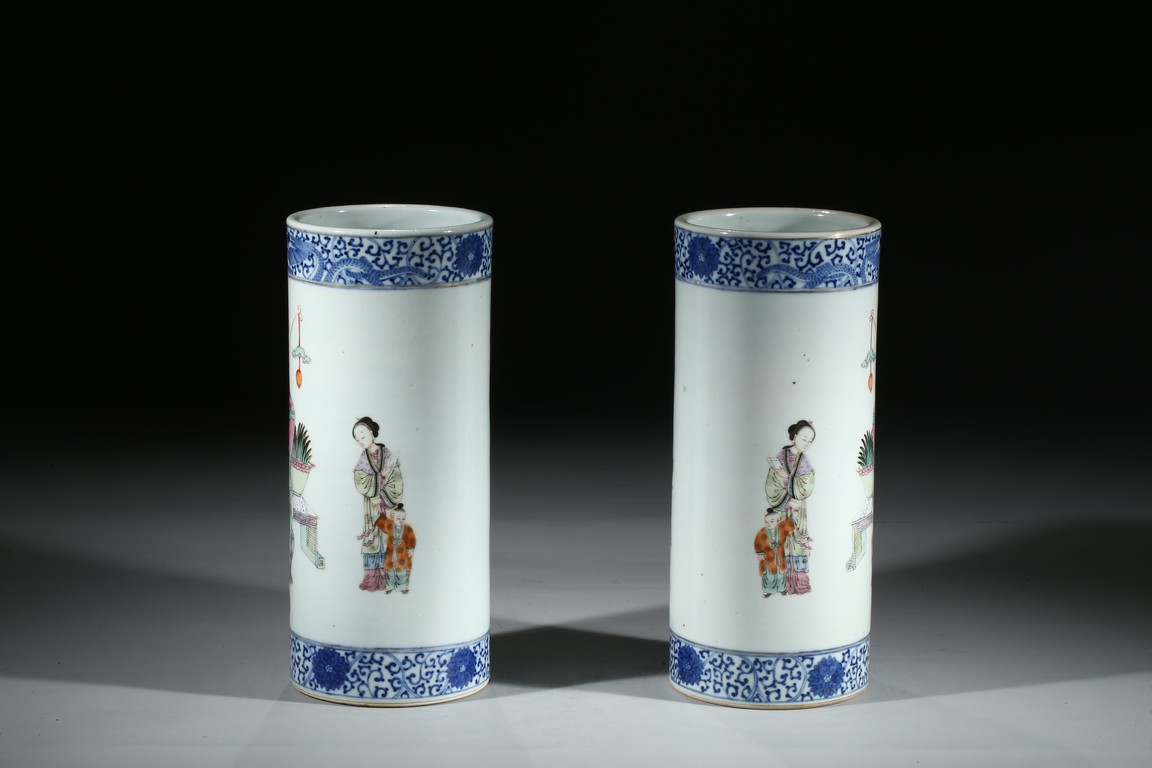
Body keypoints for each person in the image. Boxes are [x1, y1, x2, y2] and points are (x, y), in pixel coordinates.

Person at [352, 416, 404, 592]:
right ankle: (373, 580)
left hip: (386, 505)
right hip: (370, 507)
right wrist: (381, 477)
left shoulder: (386, 454)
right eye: (357, 439)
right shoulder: (363, 457)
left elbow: (396, 479)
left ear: (372, 433)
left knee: (388, 538)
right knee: (372, 541)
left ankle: (390, 578)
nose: (360, 441)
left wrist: (381, 497)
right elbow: (360, 480)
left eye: (363, 436)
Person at [765, 419, 816, 595]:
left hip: (799, 510)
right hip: (783, 509)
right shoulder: (781, 457)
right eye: (804, 439)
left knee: (798, 543)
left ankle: (799, 585)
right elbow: (771, 485)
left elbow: (807, 485)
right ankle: (782, 585)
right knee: (782, 543)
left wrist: (786, 478)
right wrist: (788, 502)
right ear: (794, 436)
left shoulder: (805, 461)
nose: (807, 443)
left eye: (810, 441)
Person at [374, 503, 416, 594]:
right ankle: (390, 586)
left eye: (403, 518)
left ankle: (403, 587)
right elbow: (383, 523)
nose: (401, 520)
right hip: (391, 553)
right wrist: (377, 512)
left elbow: (411, 538)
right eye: (398, 518)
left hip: (403, 555)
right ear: (393, 517)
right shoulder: (390, 525)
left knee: (402, 572)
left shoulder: (408, 528)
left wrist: (411, 548)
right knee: (390, 572)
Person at [754, 508, 795, 596]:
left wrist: (794, 515)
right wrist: (760, 553)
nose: (769, 524)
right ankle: (769, 590)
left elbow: (790, 525)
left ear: (778, 521)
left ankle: (782, 589)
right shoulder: (762, 532)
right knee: (770, 574)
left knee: (781, 574)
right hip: (769, 558)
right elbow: (758, 542)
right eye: (766, 522)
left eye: (772, 521)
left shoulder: (781, 529)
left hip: (780, 556)